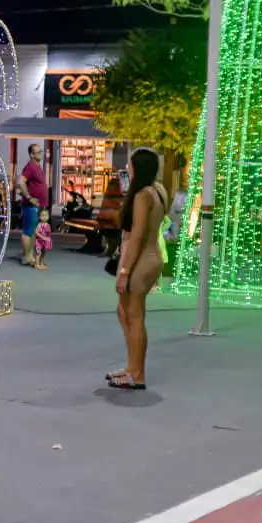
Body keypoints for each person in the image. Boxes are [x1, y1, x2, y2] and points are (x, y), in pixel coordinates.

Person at [107, 147, 167, 391]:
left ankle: (137, 373)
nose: (127, 170)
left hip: (141, 259)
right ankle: (132, 368)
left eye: (130, 166)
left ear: (136, 168)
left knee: (134, 315)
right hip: (151, 256)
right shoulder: (159, 190)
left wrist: (124, 272)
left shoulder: (143, 195)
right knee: (125, 312)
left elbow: (138, 236)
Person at [17, 143, 48, 266]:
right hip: (31, 205)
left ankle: (31, 256)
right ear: (31, 154)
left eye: (41, 151)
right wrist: (29, 197)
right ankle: (26, 257)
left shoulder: (38, 167)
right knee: (28, 231)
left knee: (34, 231)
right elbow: (21, 182)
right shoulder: (30, 167)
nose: (41, 153)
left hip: (39, 205)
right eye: (38, 152)